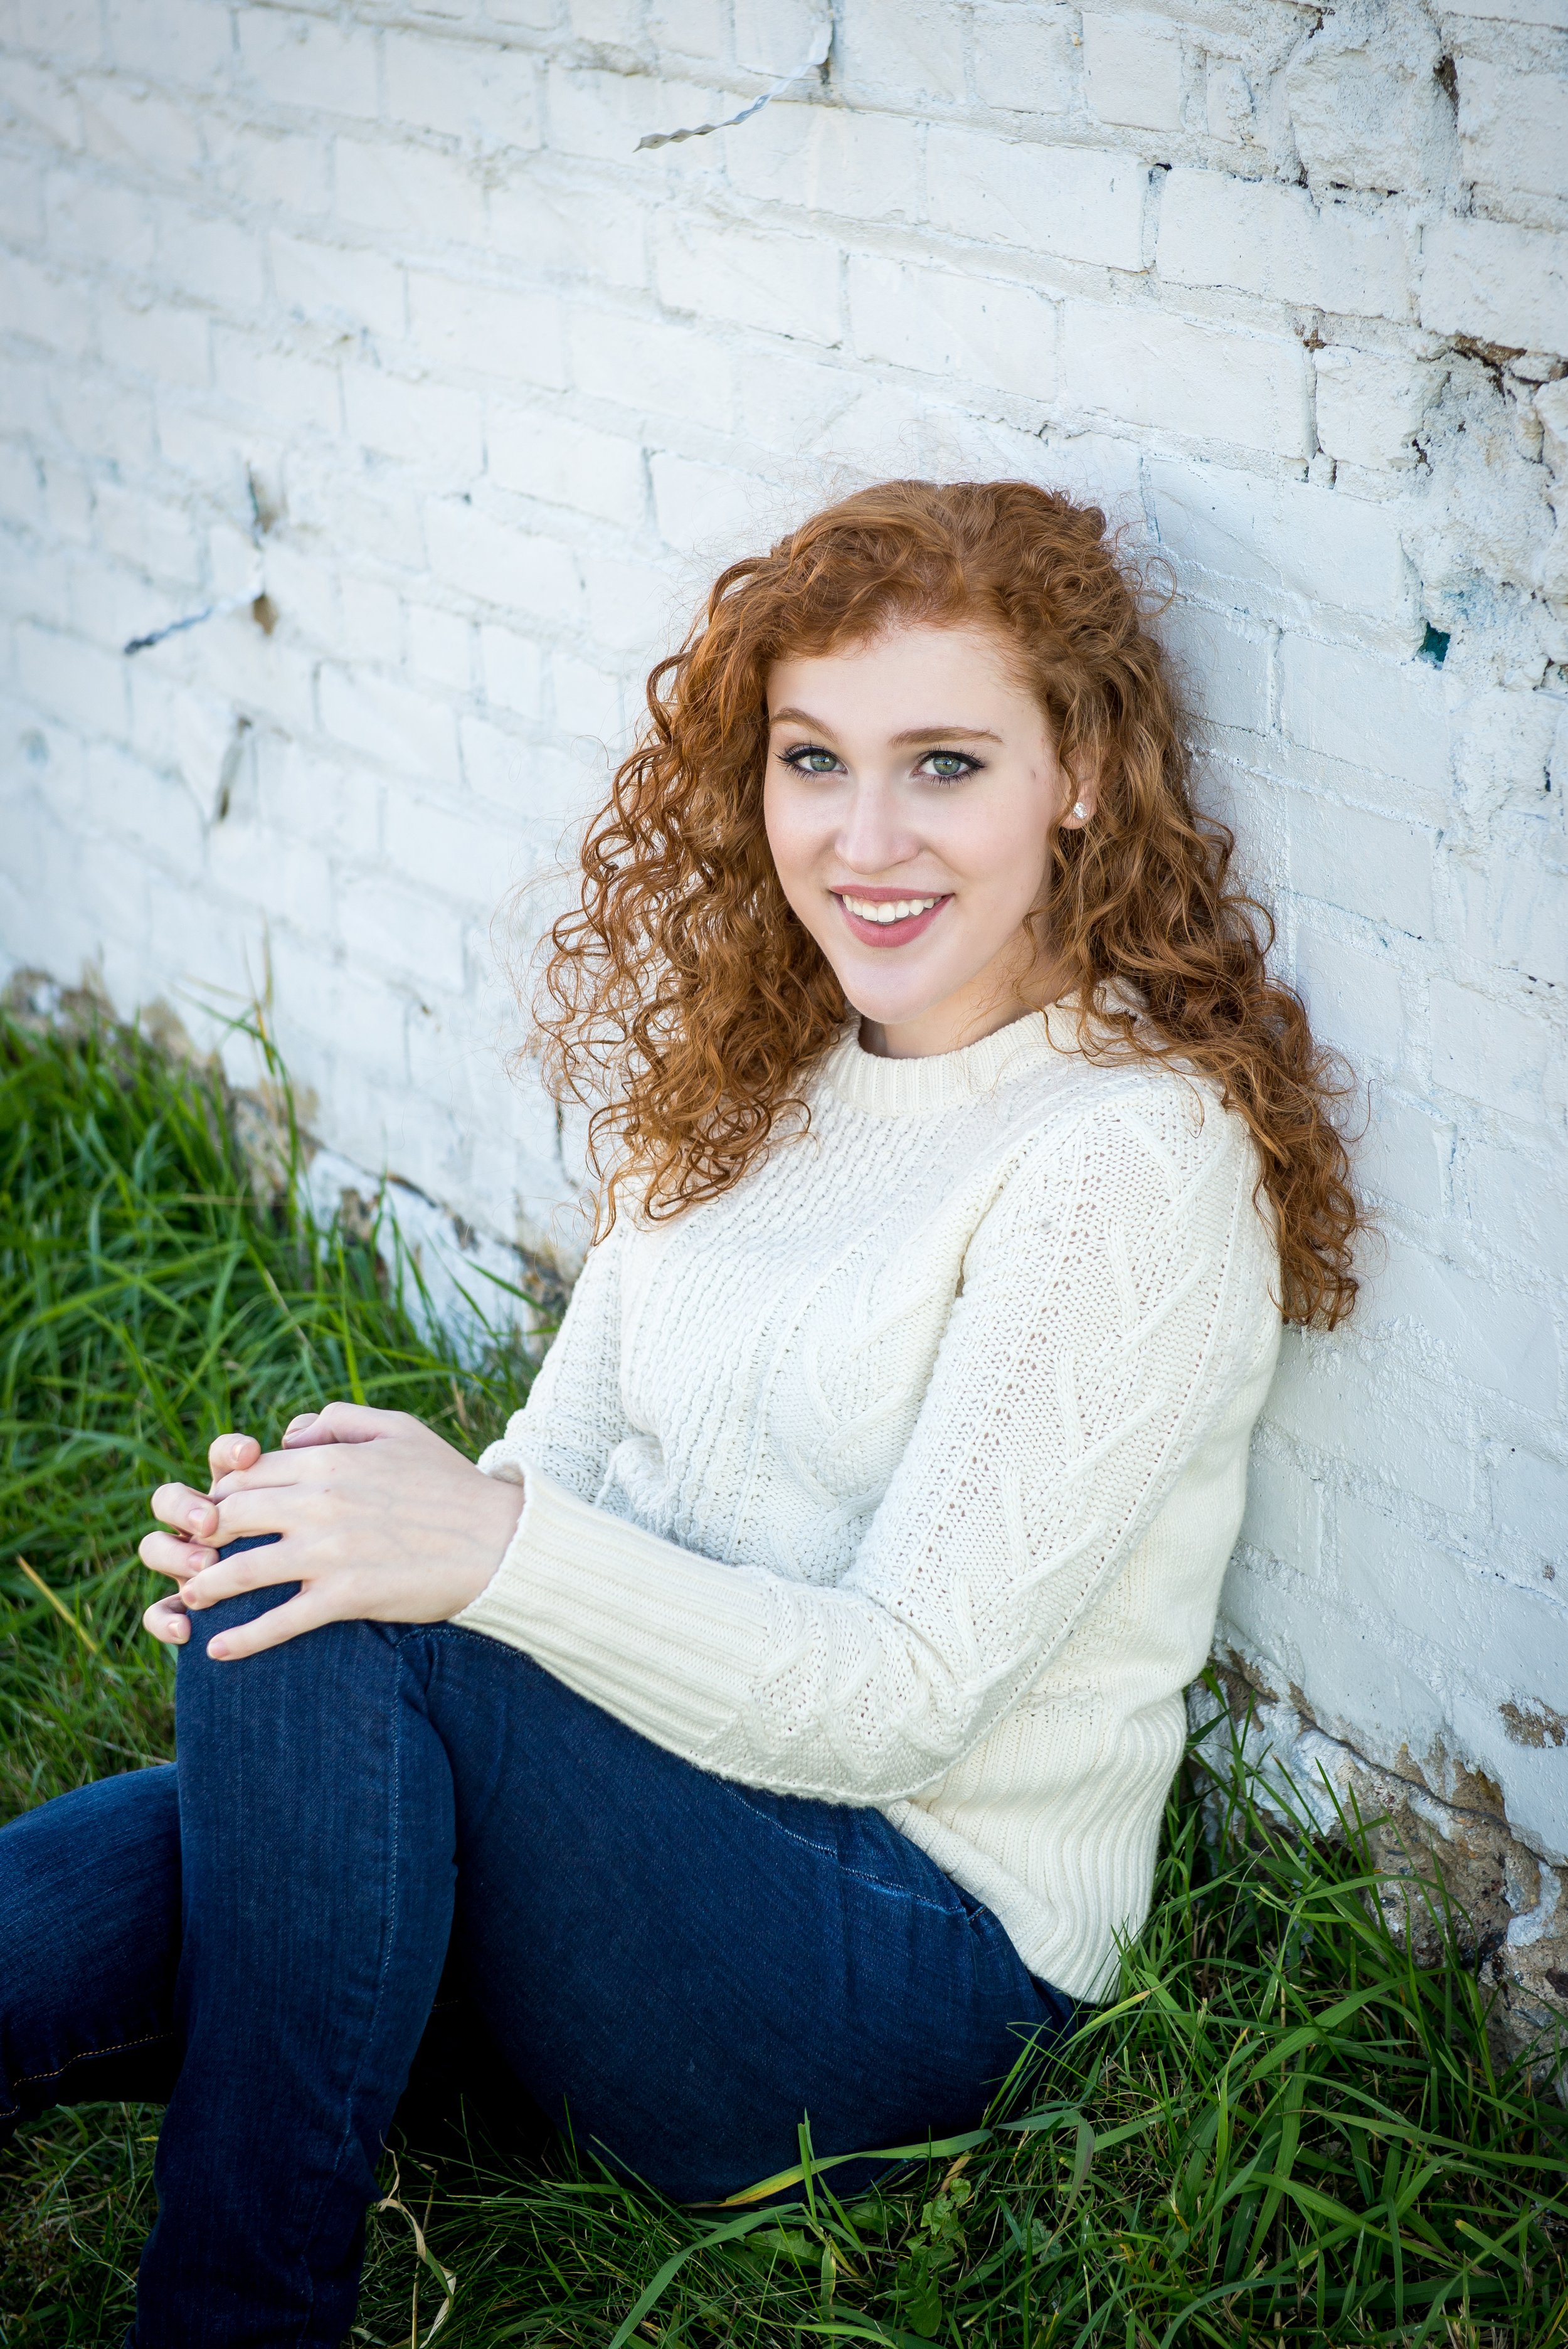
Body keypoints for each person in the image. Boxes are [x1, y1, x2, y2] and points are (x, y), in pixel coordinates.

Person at [0, 480, 1360, 2346]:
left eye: (943, 764)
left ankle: (235, 2313)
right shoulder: (758, 1078)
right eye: (814, 760)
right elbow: (538, 1487)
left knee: (351, 1604)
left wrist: (450, 1555)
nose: (863, 839)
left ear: (1082, 778)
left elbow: (900, 1694)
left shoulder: (1126, 1158)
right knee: (301, 1586)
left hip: (897, 1958)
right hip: (646, 1829)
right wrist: (351, 1538)